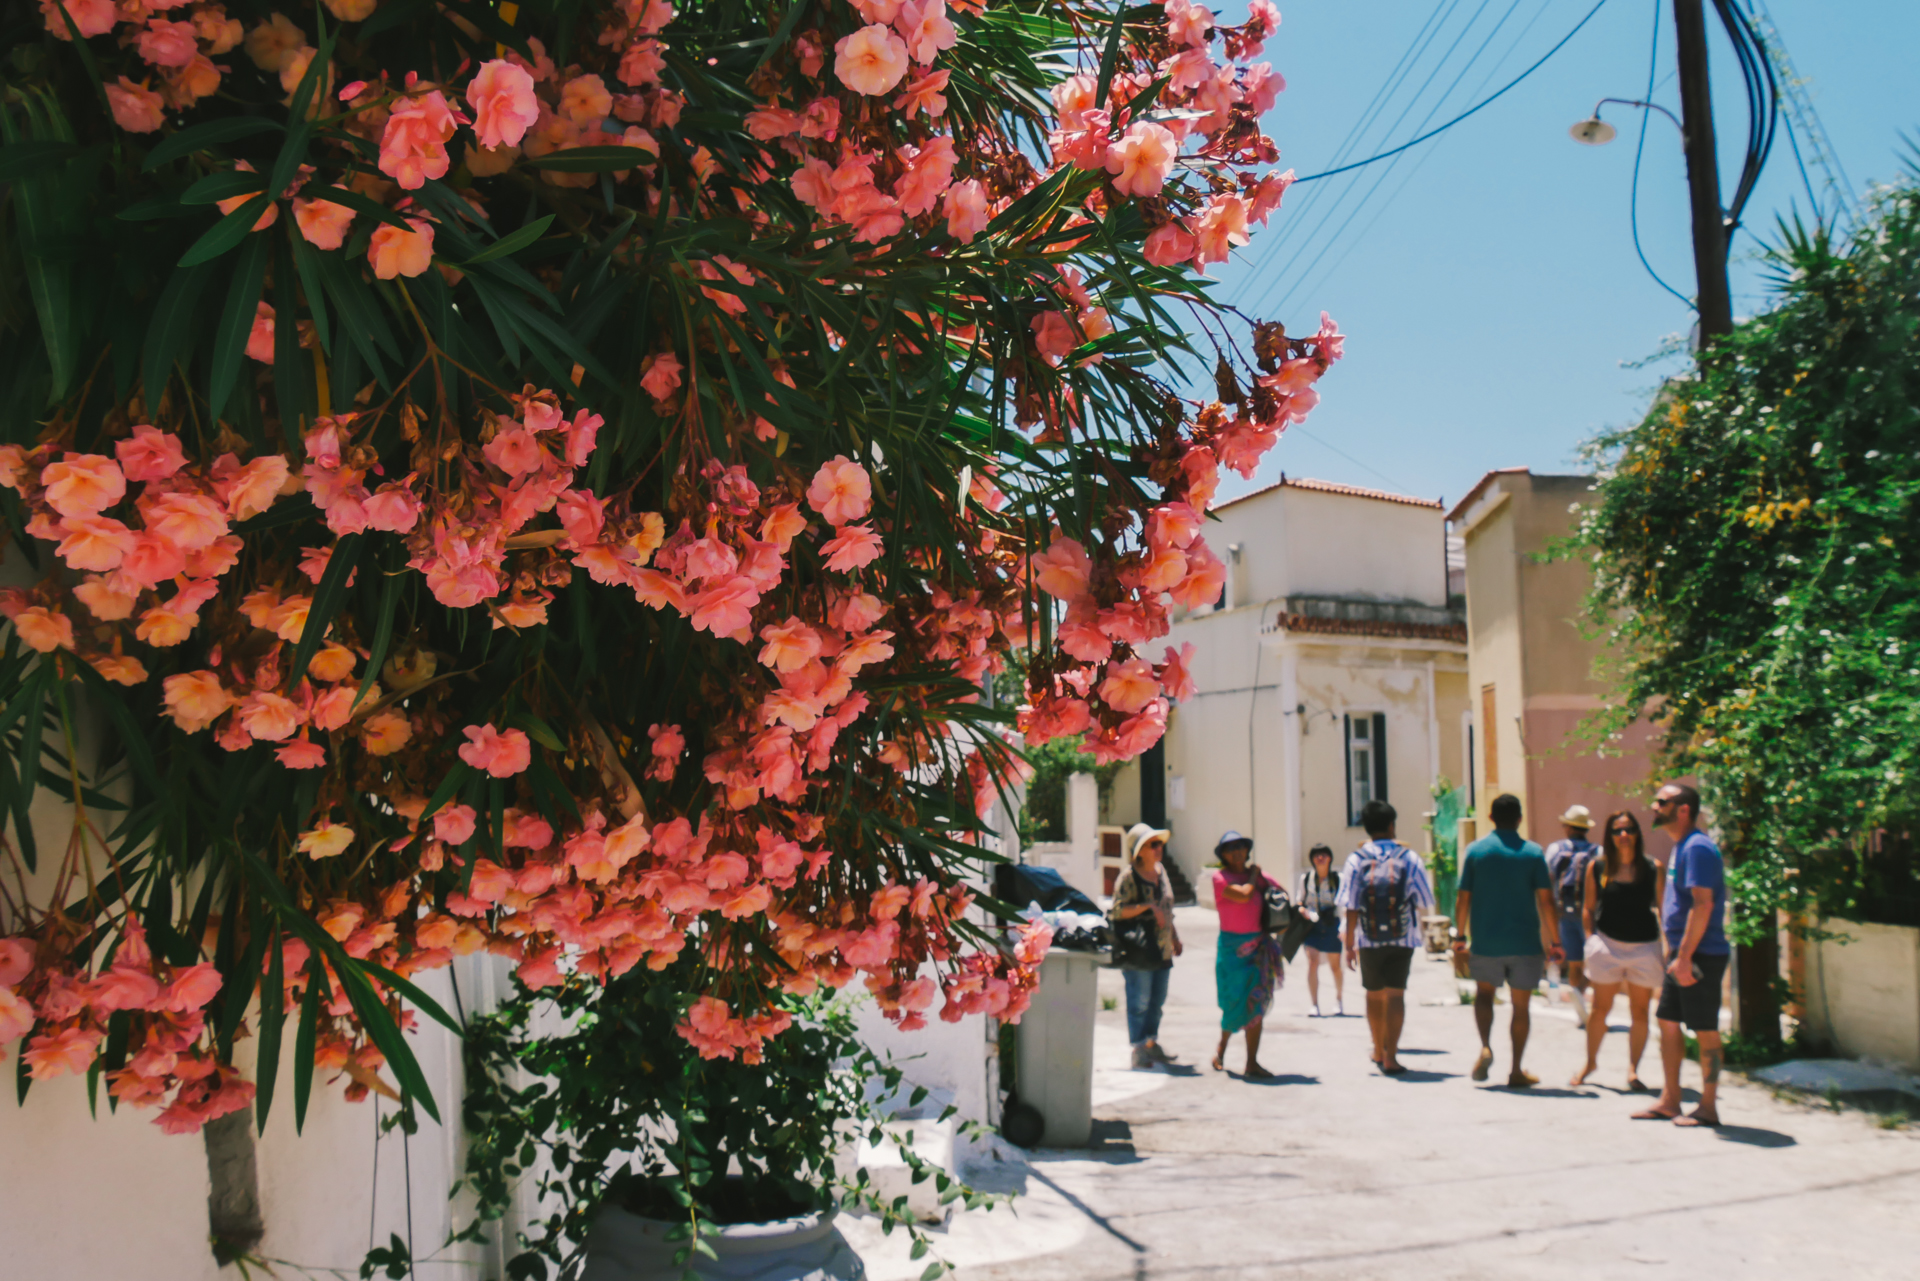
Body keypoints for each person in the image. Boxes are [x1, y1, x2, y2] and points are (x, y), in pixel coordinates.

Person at [1634, 783, 1730, 1127]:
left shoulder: (1698, 848)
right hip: (1682, 953)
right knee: (1668, 1022)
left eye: (1662, 802)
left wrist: (1686, 956)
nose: (1654, 806)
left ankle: (1708, 1106)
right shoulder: (1682, 846)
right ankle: (1670, 1100)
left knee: (1704, 1029)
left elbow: (1703, 904)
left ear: (1683, 809)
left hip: (1700, 954)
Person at [1454, 794, 1562, 1088]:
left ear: (1490, 818)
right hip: (1525, 943)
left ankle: (1486, 1047)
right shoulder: (1532, 853)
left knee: (1484, 995)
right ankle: (1515, 1070)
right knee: (1521, 1007)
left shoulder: (1476, 852)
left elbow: (1463, 898)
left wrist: (1460, 936)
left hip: (1486, 942)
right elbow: (1546, 901)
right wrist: (1555, 941)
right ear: (1519, 819)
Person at [1339, 799, 1435, 1075]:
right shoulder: (1409, 858)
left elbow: (1351, 905)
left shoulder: (1356, 860)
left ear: (1367, 829)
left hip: (1368, 938)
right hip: (1402, 938)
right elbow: (1425, 900)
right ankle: (1392, 1056)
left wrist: (1349, 945)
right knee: (1395, 995)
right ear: (1392, 825)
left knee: (1373, 993)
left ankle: (1378, 1049)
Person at [1570, 811, 1666, 1089]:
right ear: (1609, 836)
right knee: (1600, 1009)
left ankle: (1633, 1071)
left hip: (1644, 946)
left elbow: (1663, 909)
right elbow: (1588, 909)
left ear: (1637, 833)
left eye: (1628, 829)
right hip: (1608, 944)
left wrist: (1668, 946)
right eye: (1616, 831)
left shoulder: (1652, 868)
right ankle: (1590, 1062)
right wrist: (1591, 941)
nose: (1623, 836)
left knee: (1640, 1012)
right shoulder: (1598, 867)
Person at [1111, 822, 1183, 1070]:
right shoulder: (1129, 877)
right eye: (1153, 844)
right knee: (1139, 1000)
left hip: (1161, 948)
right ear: (1139, 850)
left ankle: (1152, 1043)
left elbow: (1167, 908)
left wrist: (1174, 935)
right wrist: (1147, 907)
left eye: (1159, 843)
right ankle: (1139, 1047)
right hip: (1139, 949)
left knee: (1157, 1000)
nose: (1158, 848)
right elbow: (1117, 910)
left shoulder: (1161, 872)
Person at [1209, 830, 1281, 1078]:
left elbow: (1280, 895)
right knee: (1232, 1003)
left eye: (1240, 847)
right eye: (1230, 849)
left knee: (1256, 1005)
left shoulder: (1259, 878)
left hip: (1258, 950)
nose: (1236, 852)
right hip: (1231, 951)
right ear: (1223, 855)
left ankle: (1252, 1062)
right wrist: (1254, 875)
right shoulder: (1220, 878)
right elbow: (1243, 894)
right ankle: (1222, 1048)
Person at [1544, 805, 1600, 1027]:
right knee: (1597, 963)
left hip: (1564, 912)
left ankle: (1578, 1004)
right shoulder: (1597, 851)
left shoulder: (1555, 849)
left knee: (1574, 963)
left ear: (1567, 827)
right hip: (1590, 914)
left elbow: (1547, 878)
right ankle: (1581, 994)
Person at [1299, 844, 1346, 1017]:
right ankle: (1314, 1004)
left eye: (1324, 855)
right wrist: (1303, 911)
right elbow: (1300, 902)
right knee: (1312, 962)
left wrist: (1345, 927)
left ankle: (1339, 1000)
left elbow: (1345, 904)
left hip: (1333, 923)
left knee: (1335, 966)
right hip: (1312, 924)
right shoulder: (1306, 879)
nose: (1320, 858)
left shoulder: (1338, 878)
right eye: (1317, 855)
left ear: (1330, 858)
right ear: (1312, 859)